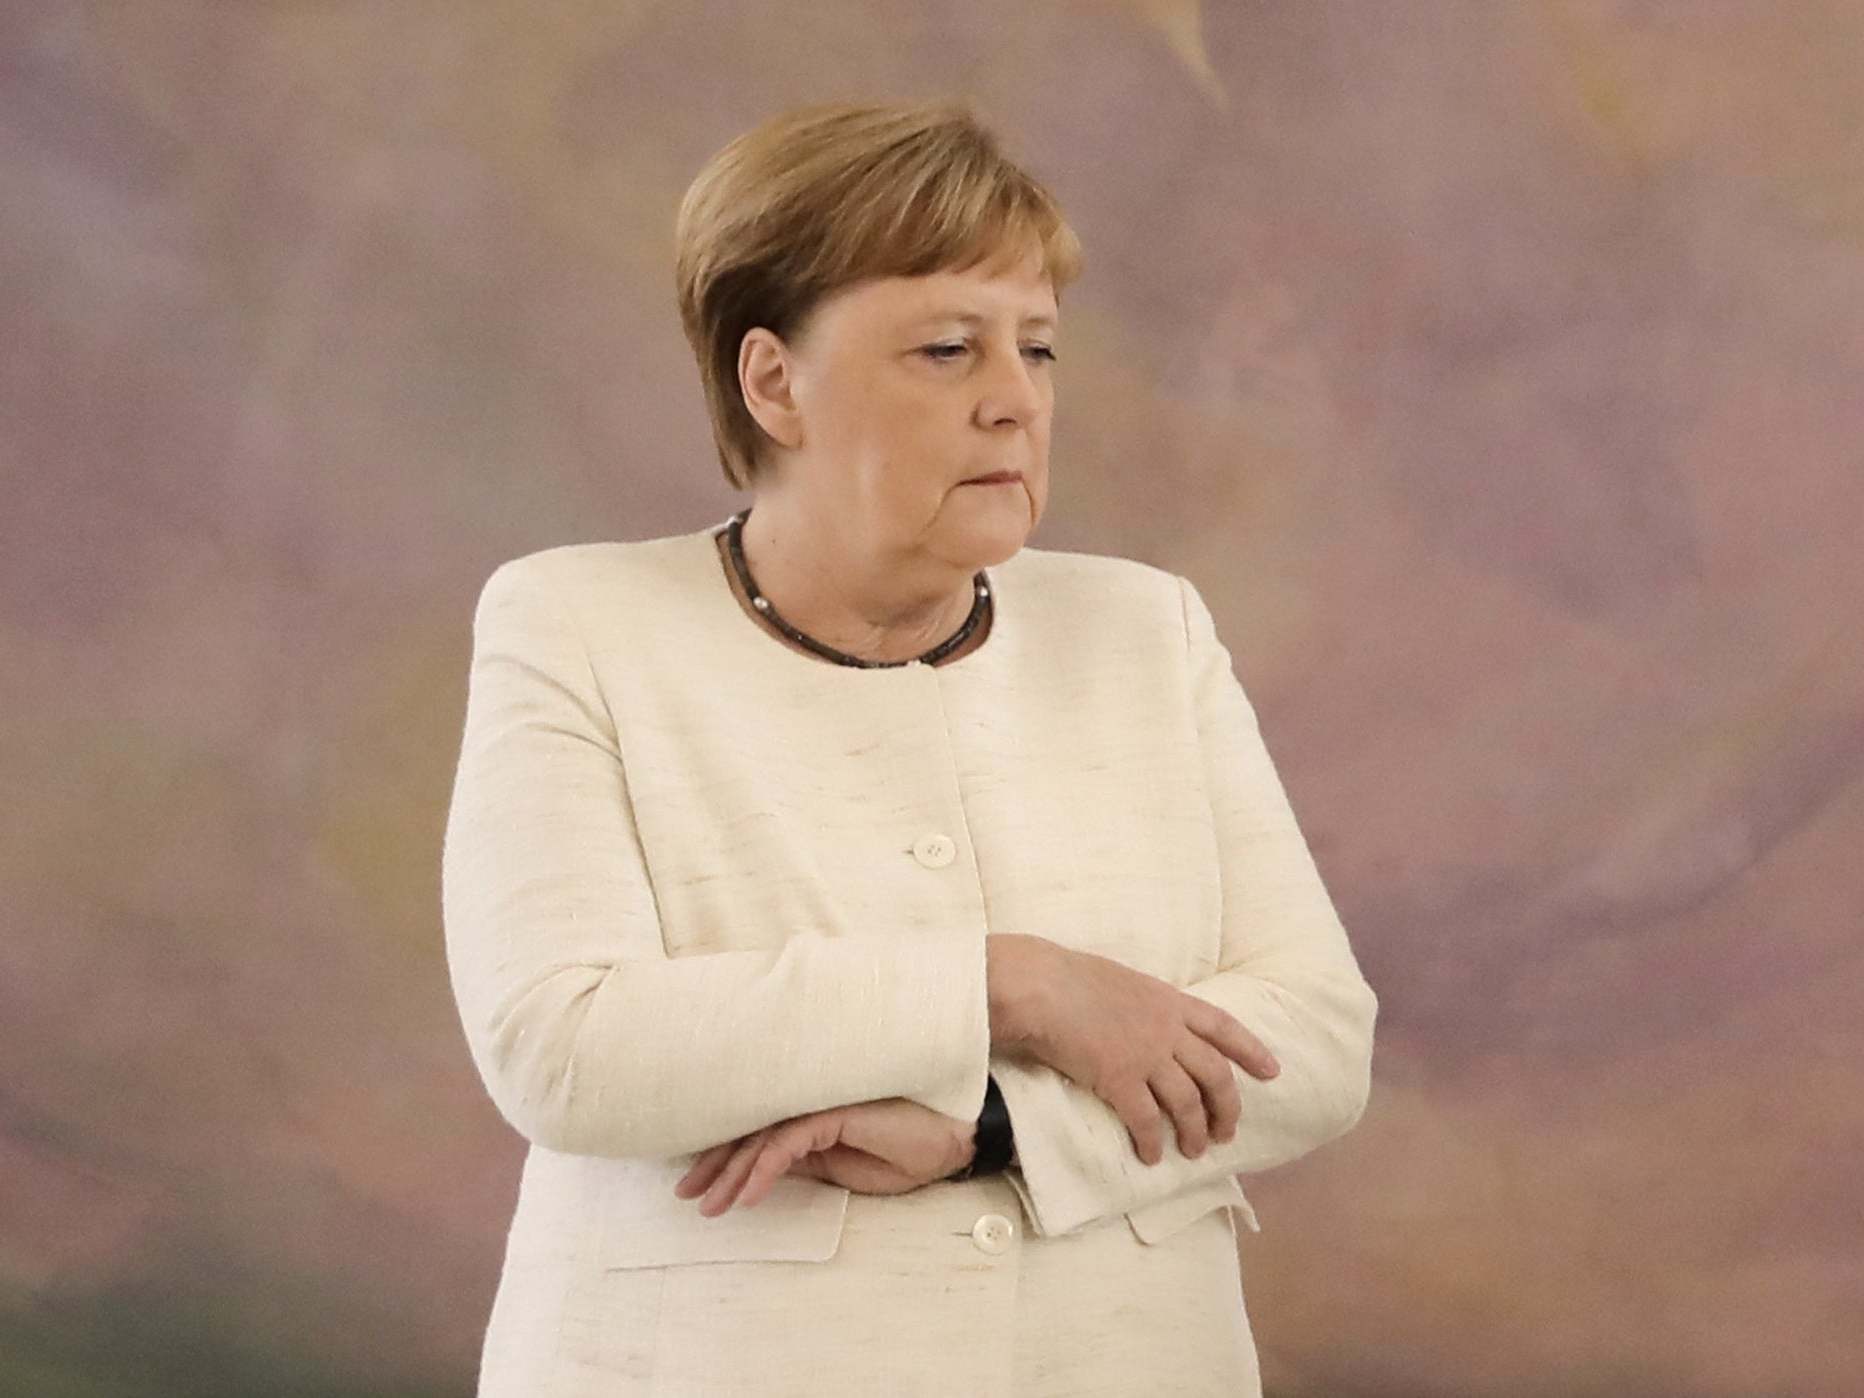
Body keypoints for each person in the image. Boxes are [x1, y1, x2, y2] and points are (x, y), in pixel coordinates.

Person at [440, 96, 1378, 1398]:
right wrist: (1015, 986)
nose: (1016, 402)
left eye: (1037, 349)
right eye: (947, 349)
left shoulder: (1145, 629)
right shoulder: (577, 622)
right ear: (773, 382)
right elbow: (569, 1045)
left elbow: (1316, 1043)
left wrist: (994, 1125)